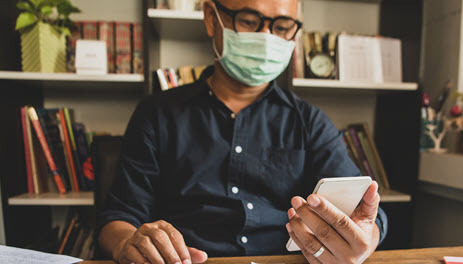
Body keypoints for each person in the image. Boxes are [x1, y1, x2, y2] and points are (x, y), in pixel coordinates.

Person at [98, 0, 388, 263]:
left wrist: (364, 238)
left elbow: (364, 214)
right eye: (249, 21)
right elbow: (119, 217)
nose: (266, 38)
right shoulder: (156, 114)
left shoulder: (310, 122)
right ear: (212, 18)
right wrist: (128, 242)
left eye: (282, 26)